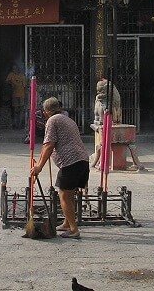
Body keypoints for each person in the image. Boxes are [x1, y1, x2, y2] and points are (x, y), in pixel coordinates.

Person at [30, 97, 90, 239]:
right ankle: (67, 223)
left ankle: (74, 229)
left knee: (63, 194)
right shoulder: (67, 119)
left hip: (71, 162)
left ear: (46, 112)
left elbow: (49, 145)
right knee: (70, 194)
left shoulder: (52, 120)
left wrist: (39, 166)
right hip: (82, 160)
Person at [5, 64, 27, 129]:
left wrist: (26, 96)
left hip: (21, 95)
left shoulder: (22, 76)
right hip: (14, 95)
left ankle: (20, 124)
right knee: (15, 110)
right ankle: (15, 124)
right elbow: (6, 82)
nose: (14, 70)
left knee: (21, 110)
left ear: (18, 69)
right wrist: (11, 84)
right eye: (13, 69)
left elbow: (25, 87)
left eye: (15, 68)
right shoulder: (11, 75)